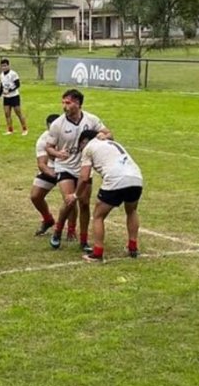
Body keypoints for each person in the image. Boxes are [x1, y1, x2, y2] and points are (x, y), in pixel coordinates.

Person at [45, 89, 111, 251]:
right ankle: (58, 231)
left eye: (68, 103)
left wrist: (104, 136)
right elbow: (48, 147)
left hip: (85, 167)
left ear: (78, 104)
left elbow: (109, 133)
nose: (64, 106)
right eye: (63, 102)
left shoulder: (91, 119)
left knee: (84, 203)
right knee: (69, 201)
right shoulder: (57, 124)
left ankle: (83, 240)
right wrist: (58, 153)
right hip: (65, 166)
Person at [71, 131, 143, 263]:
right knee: (132, 210)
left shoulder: (88, 148)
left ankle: (97, 253)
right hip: (136, 178)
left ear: (83, 141)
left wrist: (76, 195)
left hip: (115, 179)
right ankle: (133, 247)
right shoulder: (112, 143)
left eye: (79, 146)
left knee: (98, 216)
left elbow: (84, 177)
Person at [30, 113, 65, 236]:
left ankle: (71, 229)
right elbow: (42, 164)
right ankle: (48, 219)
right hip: (52, 168)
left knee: (69, 199)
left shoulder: (69, 136)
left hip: (68, 168)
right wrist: (53, 175)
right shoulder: (43, 140)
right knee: (35, 196)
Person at [0, 58, 28, 135]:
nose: (4, 67)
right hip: (6, 97)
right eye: (2, 66)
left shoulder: (13, 74)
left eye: (5, 66)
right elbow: (1, 86)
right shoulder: (1, 75)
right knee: (7, 113)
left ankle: (24, 129)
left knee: (18, 112)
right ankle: (10, 129)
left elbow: (18, 84)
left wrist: (10, 90)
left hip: (14, 96)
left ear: (8, 66)